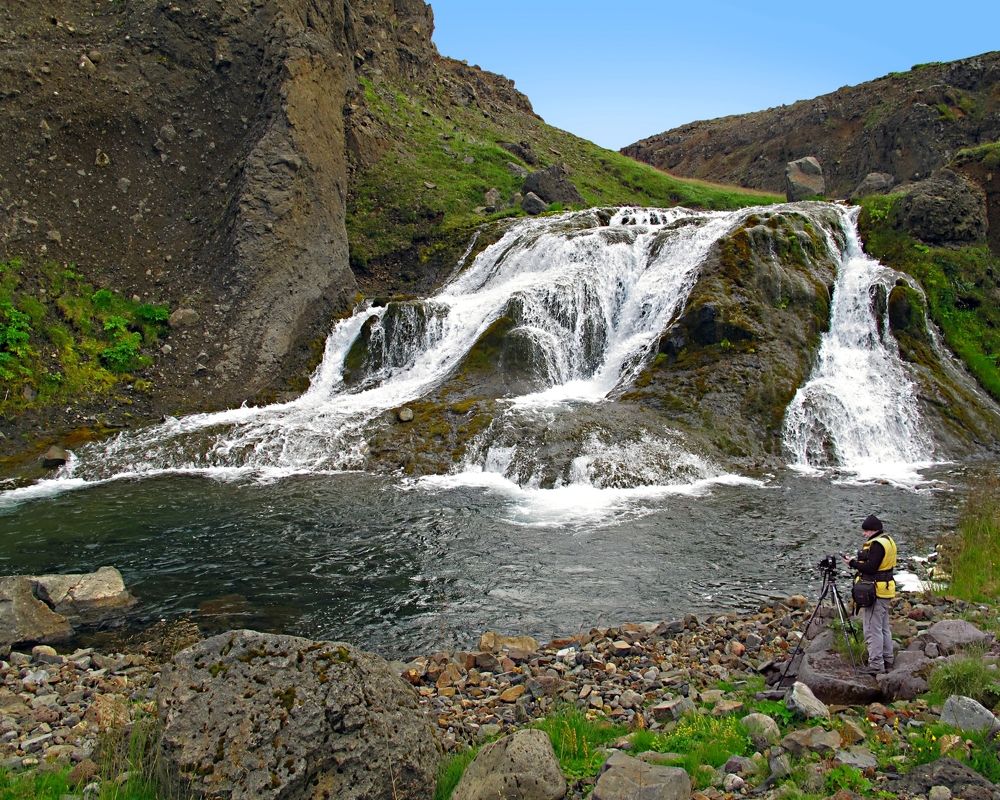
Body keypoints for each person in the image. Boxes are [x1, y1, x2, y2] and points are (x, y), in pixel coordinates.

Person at [843, 514, 897, 674]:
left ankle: (876, 665)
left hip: (877, 591)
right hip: (887, 589)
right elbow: (878, 562)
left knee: (872, 629)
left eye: (866, 531)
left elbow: (871, 568)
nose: (864, 534)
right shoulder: (887, 540)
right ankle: (888, 659)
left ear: (873, 530)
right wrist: (859, 560)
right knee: (883, 627)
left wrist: (852, 563)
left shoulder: (877, 544)